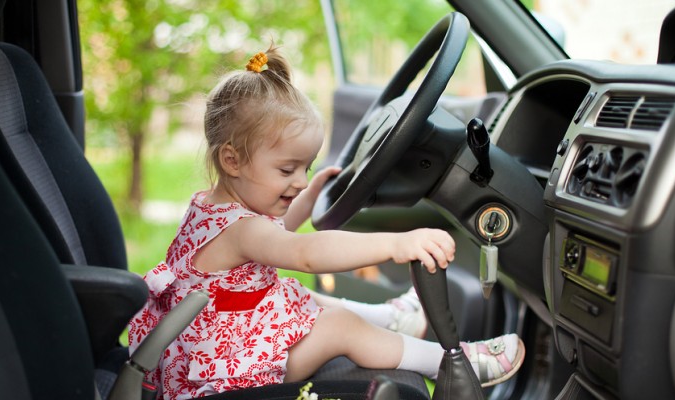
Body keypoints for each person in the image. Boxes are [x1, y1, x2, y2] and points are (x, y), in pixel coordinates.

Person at [128, 44, 525, 399]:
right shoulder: (242, 229)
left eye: (306, 168)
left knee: (294, 297)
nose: (298, 181)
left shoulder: (213, 207)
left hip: (213, 345)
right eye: (287, 170)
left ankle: (393, 318)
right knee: (340, 326)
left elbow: (276, 235)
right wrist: (396, 243)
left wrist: (311, 193)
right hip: (229, 374)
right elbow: (304, 254)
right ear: (232, 160)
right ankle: (456, 363)